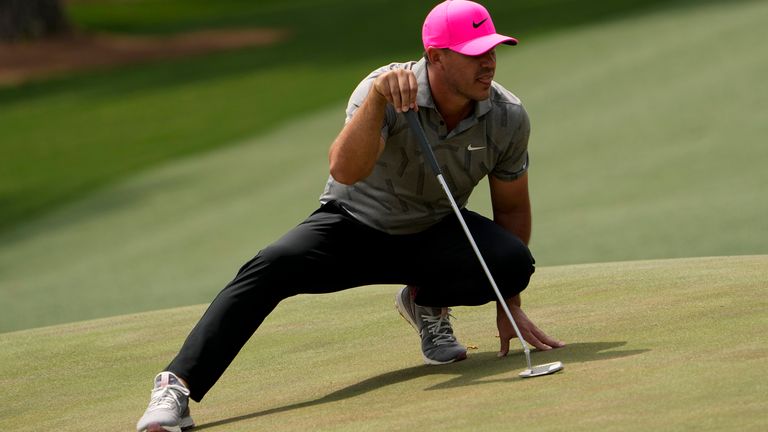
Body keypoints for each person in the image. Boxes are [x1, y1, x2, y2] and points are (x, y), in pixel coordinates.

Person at [136, 1, 564, 431]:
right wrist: (379, 100)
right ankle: (177, 386)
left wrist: (507, 302)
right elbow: (345, 170)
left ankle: (425, 303)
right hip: (352, 226)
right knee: (269, 266)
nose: (488, 63)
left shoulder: (507, 116)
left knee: (512, 263)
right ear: (435, 56)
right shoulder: (381, 89)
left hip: (434, 230)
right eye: (474, 53)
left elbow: (510, 207)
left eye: (492, 50)